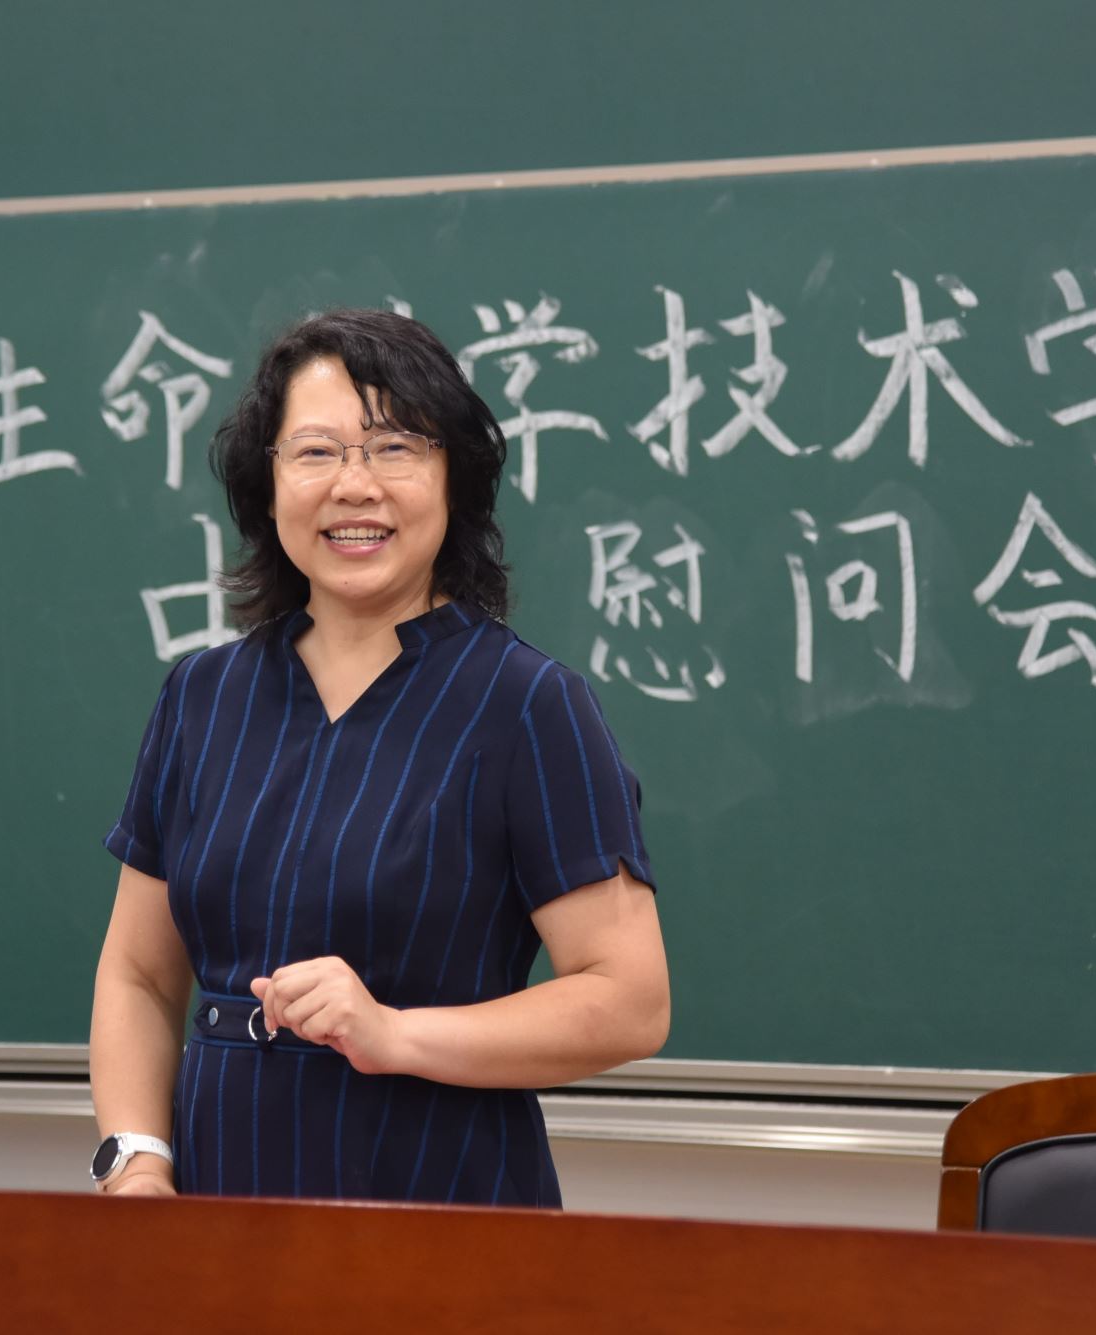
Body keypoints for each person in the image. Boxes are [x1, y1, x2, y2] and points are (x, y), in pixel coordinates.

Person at [88, 309, 669, 1205]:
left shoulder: (527, 704)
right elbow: (139, 974)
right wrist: (136, 1161)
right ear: (267, 485)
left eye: (396, 448)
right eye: (315, 452)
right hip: (214, 1212)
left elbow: (630, 1000)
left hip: (440, 1206)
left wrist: (393, 1033)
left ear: (454, 480)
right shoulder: (202, 697)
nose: (354, 485)